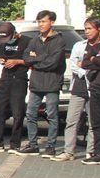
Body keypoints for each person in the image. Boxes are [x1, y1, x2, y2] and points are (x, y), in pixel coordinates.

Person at [18, 10, 65, 156]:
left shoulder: (59, 40)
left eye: (44, 21)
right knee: (30, 114)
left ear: (51, 22)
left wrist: (36, 59)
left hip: (52, 83)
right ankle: (33, 144)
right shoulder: (35, 40)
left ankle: (50, 146)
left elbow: (53, 63)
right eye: (39, 22)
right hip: (36, 82)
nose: (41, 24)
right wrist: (39, 59)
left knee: (52, 115)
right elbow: (26, 57)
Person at [0, 22, 29, 154]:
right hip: (5, 78)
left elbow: (32, 59)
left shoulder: (26, 41)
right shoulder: (3, 42)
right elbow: (1, 54)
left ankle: (15, 143)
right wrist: (3, 60)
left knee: (17, 112)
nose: (6, 41)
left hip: (19, 79)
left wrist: (17, 61)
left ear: (14, 33)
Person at [57, 27, 94, 162]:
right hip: (78, 87)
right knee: (71, 120)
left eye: (90, 28)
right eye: (86, 29)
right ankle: (68, 151)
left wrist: (85, 65)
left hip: (95, 88)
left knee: (93, 122)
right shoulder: (79, 45)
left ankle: (91, 151)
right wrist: (85, 70)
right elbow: (74, 65)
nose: (87, 31)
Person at [80, 18, 100, 164]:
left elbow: (93, 61)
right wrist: (97, 60)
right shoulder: (96, 47)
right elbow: (84, 63)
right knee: (97, 123)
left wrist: (95, 60)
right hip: (96, 89)